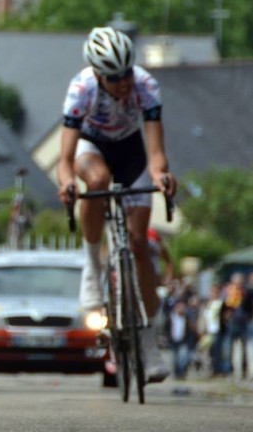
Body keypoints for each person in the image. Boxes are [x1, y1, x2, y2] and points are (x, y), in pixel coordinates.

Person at [56, 26, 178, 384]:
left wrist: (161, 177)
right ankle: (92, 267)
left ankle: (148, 342)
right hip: (91, 149)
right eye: (114, 77)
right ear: (97, 74)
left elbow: (156, 153)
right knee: (96, 182)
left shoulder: (145, 85)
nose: (124, 83)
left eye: (127, 73)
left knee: (140, 245)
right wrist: (66, 183)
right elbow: (64, 158)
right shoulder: (81, 89)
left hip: (131, 152)